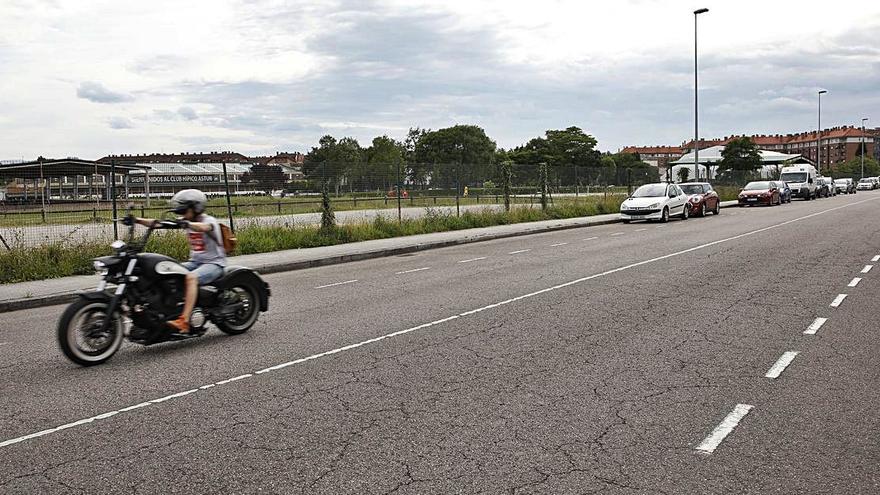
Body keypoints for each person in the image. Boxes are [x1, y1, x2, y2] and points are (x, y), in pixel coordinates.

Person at [127, 189, 226, 334]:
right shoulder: (187, 220)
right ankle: (166, 313)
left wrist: (188, 224)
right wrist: (136, 220)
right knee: (168, 272)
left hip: (215, 264)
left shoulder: (208, 221)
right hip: (195, 262)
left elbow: (204, 228)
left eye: (184, 210)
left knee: (190, 278)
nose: (181, 214)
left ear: (196, 208)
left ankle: (184, 321)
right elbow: (157, 223)